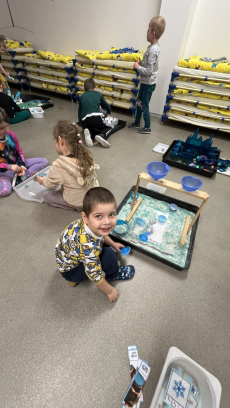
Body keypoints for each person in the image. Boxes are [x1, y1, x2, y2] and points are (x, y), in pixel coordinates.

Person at [55, 187, 135, 302]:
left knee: (103, 236)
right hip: (72, 270)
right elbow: (95, 275)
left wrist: (112, 243)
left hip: (67, 258)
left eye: (112, 214)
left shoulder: (86, 224)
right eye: (98, 216)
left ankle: (72, 279)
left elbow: (101, 235)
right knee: (108, 255)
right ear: (85, 217)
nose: (107, 222)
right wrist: (110, 291)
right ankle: (112, 274)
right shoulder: (88, 248)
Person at [35, 120, 99, 211]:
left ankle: (76, 207)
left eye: (55, 141)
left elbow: (49, 185)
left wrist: (42, 180)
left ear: (60, 141)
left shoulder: (59, 165)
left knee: (47, 196)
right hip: (92, 196)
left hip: (77, 201)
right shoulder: (87, 156)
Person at [128, 16, 166, 134]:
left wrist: (138, 67)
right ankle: (137, 122)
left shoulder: (154, 50)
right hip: (145, 82)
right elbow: (149, 65)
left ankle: (148, 127)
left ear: (153, 34)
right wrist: (141, 63)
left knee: (144, 105)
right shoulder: (151, 48)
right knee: (139, 102)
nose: (146, 32)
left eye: (148, 30)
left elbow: (149, 71)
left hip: (149, 84)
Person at [0, 108, 48, 197]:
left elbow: (19, 152)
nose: (6, 130)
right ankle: (21, 178)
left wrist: (21, 165)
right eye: (2, 128)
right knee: (5, 191)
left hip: (16, 165)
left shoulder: (11, 135)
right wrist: (9, 167)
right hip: (3, 171)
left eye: (7, 126)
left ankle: (20, 178)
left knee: (44, 161)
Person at [78, 77, 112, 148]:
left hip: (85, 119)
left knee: (91, 128)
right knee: (108, 128)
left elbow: (79, 112)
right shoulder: (98, 94)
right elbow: (107, 106)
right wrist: (108, 112)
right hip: (96, 117)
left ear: (84, 90)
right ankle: (101, 136)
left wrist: (82, 125)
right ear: (95, 88)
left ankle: (88, 132)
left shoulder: (82, 97)